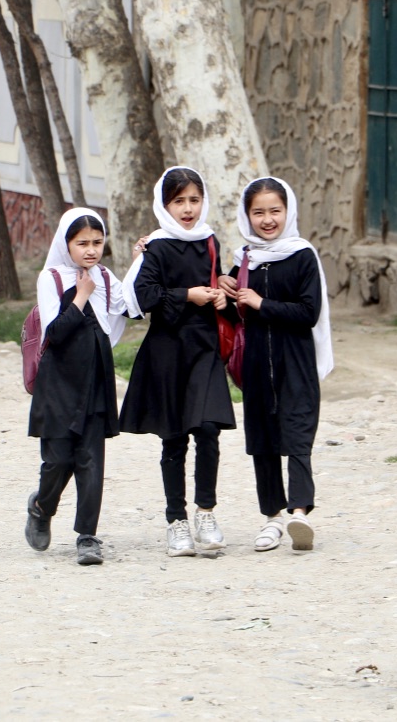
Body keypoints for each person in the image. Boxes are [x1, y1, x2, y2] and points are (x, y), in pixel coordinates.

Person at [120, 166, 236, 557]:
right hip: (168, 351)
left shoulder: (209, 240)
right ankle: (176, 522)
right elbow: (145, 295)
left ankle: (206, 512)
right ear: (164, 204)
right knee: (174, 438)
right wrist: (188, 295)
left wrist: (220, 294)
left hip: (204, 348)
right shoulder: (157, 245)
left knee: (207, 430)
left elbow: (216, 280)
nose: (187, 209)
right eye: (179, 201)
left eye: (194, 200)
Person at [218, 177, 333, 552]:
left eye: (275, 211)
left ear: (288, 211)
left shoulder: (301, 255)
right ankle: (272, 519)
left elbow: (308, 312)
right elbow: (235, 314)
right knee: (263, 441)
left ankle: (299, 512)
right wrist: (225, 288)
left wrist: (261, 303)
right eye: (258, 212)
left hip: (295, 361)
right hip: (255, 365)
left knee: (298, 435)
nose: (268, 220)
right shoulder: (244, 259)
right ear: (247, 216)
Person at [25, 208, 127, 566]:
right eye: (82, 242)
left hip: (95, 380)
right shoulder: (51, 277)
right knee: (57, 460)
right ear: (65, 243)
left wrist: (147, 258)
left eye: (97, 242)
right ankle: (41, 506)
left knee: (90, 460)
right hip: (58, 383)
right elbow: (55, 332)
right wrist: (82, 294)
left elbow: (131, 305)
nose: (90, 250)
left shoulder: (106, 277)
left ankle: (87, 536)